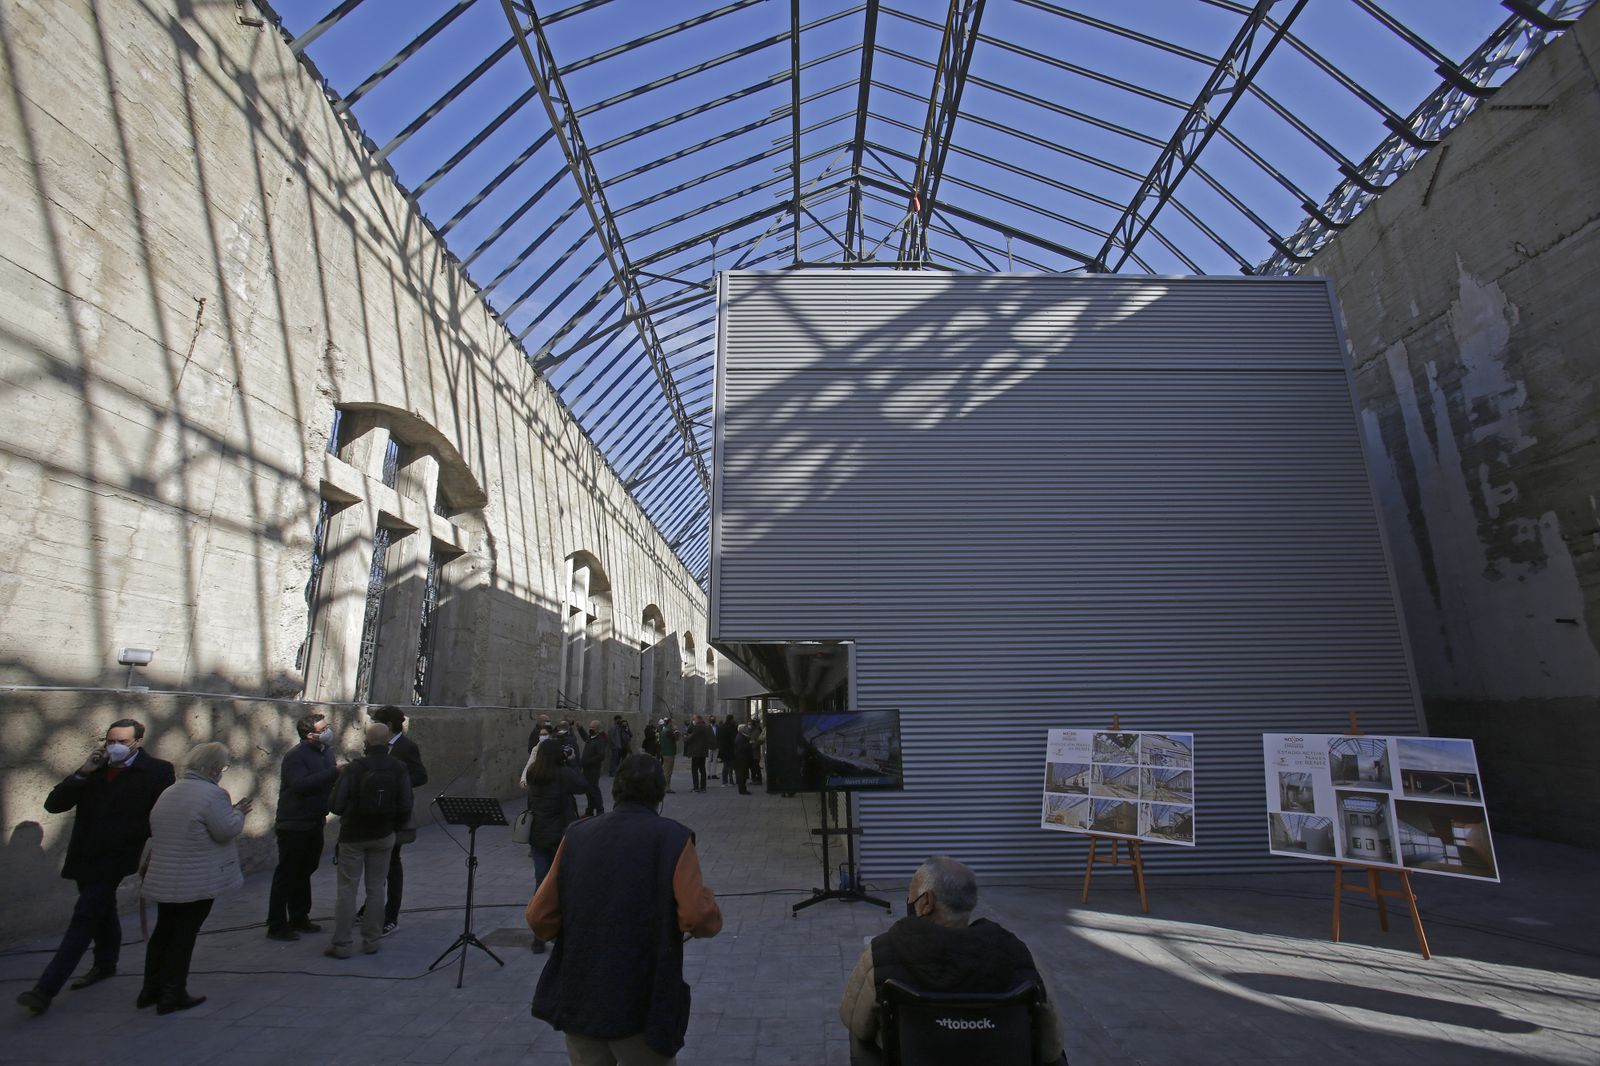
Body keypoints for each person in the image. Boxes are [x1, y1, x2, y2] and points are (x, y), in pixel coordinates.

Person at [528, 755, 722, 1064]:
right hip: (641, 1000)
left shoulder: (576, 834)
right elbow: (698, 918)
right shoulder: (673, 838)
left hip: (581, 993)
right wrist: (707, 901)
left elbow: (539, 916)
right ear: (659, 794)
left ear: (615, 790)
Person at [839, 856, 1065, 1066]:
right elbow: (1051, 1048)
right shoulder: (1022, 957)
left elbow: (857, 1024)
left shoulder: (881, 954)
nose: (908, 902)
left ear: (926, 902)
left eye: (910, 896)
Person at [16, 718, 175, 1016]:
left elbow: (162, 815)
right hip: (84, 854)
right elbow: (54, 804)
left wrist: (141, 842)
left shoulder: (158, 771)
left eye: (122, 742)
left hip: (116, 855)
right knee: (102, 909)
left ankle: (45, 989)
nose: (114, 747)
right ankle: (106, 963)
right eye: (110, 740)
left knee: (84, 917)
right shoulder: (95, 768)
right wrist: (83, 772)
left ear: (138, 742)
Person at [138, 742, 249, 1014]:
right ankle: (172, 992)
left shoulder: (170, 791)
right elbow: (225, 829)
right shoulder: (212, 795)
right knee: (183, 936)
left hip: (167, 874)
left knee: (163, 932)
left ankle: (150, 988)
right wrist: (239, 812)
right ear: (214, 768)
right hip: (195, 877)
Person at [326, 723, 413, 959]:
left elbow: (335, 805)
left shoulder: (355, 768)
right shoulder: (399, 768)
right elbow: (406, 804)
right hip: (383, 834)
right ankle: (372, 940)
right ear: (387, 742)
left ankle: (342, 944)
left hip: (353, 834)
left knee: (347, 889)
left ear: (366, 741)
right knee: (376, 889)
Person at [520, 740, 601, 953]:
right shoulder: (563, 773)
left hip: (538, 835)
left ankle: (539, 933)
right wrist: (570, 763)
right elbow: (583, 786)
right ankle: (563, 930)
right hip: (560, 835)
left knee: (541, 882)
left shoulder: (533, 774)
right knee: (564, 882)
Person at [265, 713, 339, 941]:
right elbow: (299, 785)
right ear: (309, 735)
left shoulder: (326, 753)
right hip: (294, 823)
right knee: (287, 872)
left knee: (305, 870)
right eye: (323, 729)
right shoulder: (296, 756)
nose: (327, 731)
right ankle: (276, 923)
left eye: (328, 727)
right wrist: (334, 772)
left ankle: (299, 916)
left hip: (315, 821)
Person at [369, 705, 427, 936]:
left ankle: (391, 914)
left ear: (389, 726)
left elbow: (421, 775)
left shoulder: (406, 747)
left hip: (395, 814)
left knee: (392, 864)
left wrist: (395, 782)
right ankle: (369, 907)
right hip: (376, 813)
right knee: (375, 865)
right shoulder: (375, 745)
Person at [580, 720, 608, 815]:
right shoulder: (591, 738)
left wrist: (588, 762)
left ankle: (600, 810)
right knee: (588, 790)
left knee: (594, 790)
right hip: (586, 770)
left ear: (598, 729)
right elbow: (585, 737)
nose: (590, 729)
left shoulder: (599, 740)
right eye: (590, 727)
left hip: (593, 770)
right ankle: (590, 810)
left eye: (593, 727)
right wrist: (580, 728)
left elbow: (600, 756)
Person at [683, 714, 712, 793]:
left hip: (696, 752)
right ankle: (703, 787)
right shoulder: (706, 727)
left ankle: (696, 787)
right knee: (702, 769)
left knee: (694, 770)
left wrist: (685, 738)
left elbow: (690, 738)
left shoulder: (697, 727)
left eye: (694, 719)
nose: (693, 720)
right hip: (703, 752)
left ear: (698, 719)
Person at [658, 719, 679, 793]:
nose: (675, 724)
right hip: (669, 753)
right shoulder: (668, 731)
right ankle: (666, 787)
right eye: (673, 723)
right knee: (668, 771)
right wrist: (676, 730)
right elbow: (676, 738)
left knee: (666, 770)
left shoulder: (664, 730)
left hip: (665, 752)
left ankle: (666, 787)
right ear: (670, 723)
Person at [716, 714, 738, 786]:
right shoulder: (731, 727)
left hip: (724, 749)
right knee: (730, 766)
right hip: (730, 749)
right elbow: (734, 739)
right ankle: (730, 781)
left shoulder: (722, 727)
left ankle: (725, 782)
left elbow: (718, 738)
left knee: (726, 766)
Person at [747, 715, 764, 785]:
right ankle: (754, 779)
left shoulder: (757, 731)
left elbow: (759, 741)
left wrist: (753, 744)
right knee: (752, 767)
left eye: (750, 724)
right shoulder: (750, 731)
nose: (749, 725)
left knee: (756, 766)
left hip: (755, 752)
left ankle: (758, 779)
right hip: (751, 753)